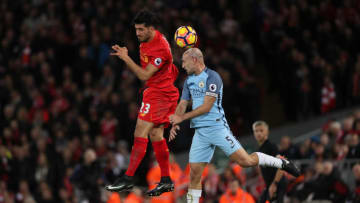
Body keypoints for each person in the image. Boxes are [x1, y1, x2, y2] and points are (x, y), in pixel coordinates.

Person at [169, 48, 300, 203]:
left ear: (195, 60)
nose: (182, 65)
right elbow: (183, 103)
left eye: (184, 62)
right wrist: (176, 119)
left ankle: (281, 162)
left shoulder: (213, 77)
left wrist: (182, 117)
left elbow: (206, 107)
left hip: (217, 128)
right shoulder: (188, 82)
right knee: (195, 175)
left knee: (246, 162)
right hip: (200, 132)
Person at [105, 9, 179, 196]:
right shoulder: (146, 41)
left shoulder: (160, 47)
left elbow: (144, 75)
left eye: (140, 30)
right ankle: (166, 180)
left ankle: (128, 178)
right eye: (136, 29)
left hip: (161, 94)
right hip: (156, 91)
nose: (137, 33)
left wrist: (125, 58)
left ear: (151, 29)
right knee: (155, 134)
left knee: (140, 131)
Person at [252, 121, 287, 203]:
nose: (258, 133)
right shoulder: (260, 149)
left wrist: (274, 184)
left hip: (277, 185)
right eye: (256, 131)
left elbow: (282, 165)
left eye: (261, 130)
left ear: (267, 132)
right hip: (269, 185)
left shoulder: (271, 147)